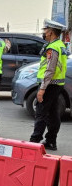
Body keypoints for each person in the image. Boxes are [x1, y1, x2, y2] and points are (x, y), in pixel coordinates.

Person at [29, 19, 68, 150]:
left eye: (45, 30)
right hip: (58, 84)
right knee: (53, 113)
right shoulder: (61, 45)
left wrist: (42, 88)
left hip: (50, 84)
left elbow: (50, 69)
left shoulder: (52, 47)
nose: (44, 33)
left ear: (51, 32)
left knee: (41, 113)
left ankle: (34, 141)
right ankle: (51, 141)